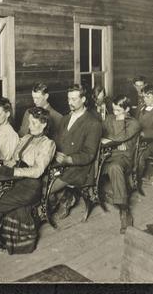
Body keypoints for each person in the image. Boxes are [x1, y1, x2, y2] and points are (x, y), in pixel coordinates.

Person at [0, 107, 56, 254]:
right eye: (29, 122)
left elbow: (38, 171)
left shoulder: (48, 144)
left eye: (33, 122)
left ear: (44, 124)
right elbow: (14, 159)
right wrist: (2, 164)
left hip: (31, 186)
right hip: (16, 180)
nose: (29, 125)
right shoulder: (26, 138)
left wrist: (14, 171)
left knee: (0, 202)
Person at [50, 84, 102, 219]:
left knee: (47, 188)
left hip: (79, 167)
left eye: (74, 99)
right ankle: (62, 198)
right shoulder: (65, 118)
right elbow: (56, 140)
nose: (70, 103)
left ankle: (63, 199)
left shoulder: (93, 123)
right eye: (69, 99)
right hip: (60, 162)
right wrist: (54, 153)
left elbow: (89, 154)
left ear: (83, 99)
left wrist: (68, 159)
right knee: (40, 182)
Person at [102, 95, 141, 233]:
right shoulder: (109, 118)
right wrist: (115, 142)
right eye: (113, 110)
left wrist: (114, 139)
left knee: (115, 167)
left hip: (124, 158)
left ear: (127, 109)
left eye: (119, 110)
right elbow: (100, 134)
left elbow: (119, 137)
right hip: (106, 154)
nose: (115, 113)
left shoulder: (134, 123)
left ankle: (124, 210)